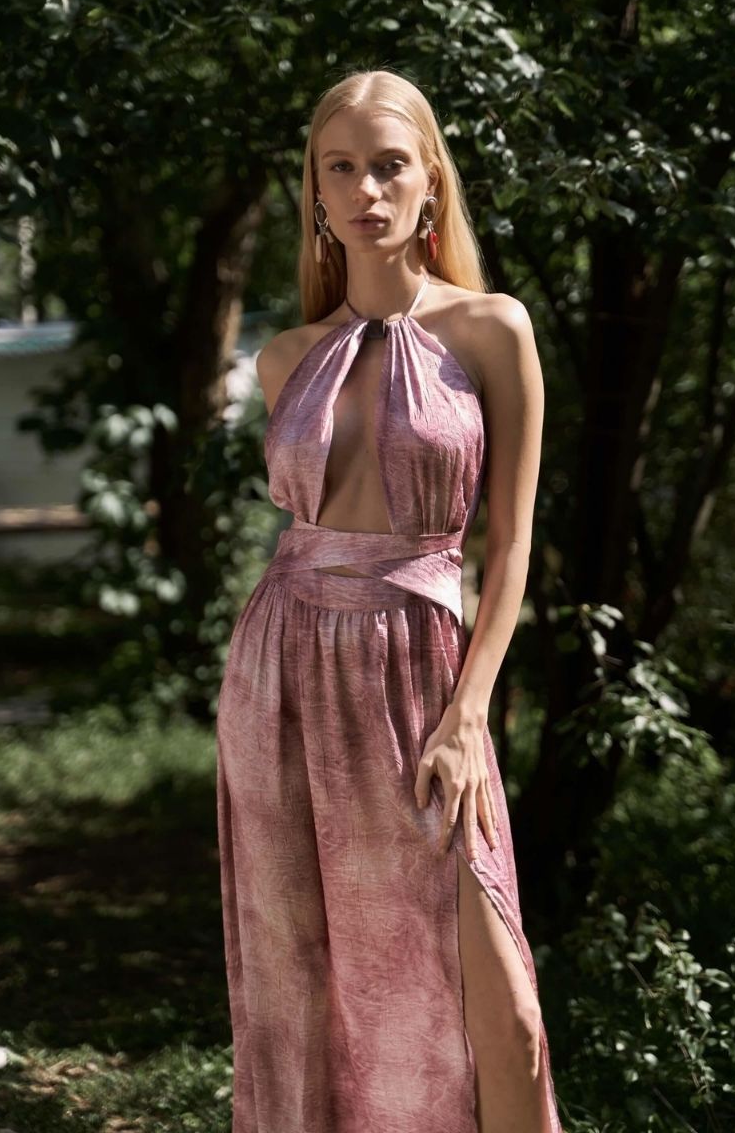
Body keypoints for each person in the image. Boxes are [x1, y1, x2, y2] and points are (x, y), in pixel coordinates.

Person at [216, 68, 563, 1133]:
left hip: (420, 672)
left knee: (496, 997)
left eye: (388, 165)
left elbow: (508, 547)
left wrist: (467, 716)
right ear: (315, 194)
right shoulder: (285, 361)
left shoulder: (490, 329)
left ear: (430, 183)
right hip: (281, 675)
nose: (366, 188)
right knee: (309, 989)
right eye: (341, 168)